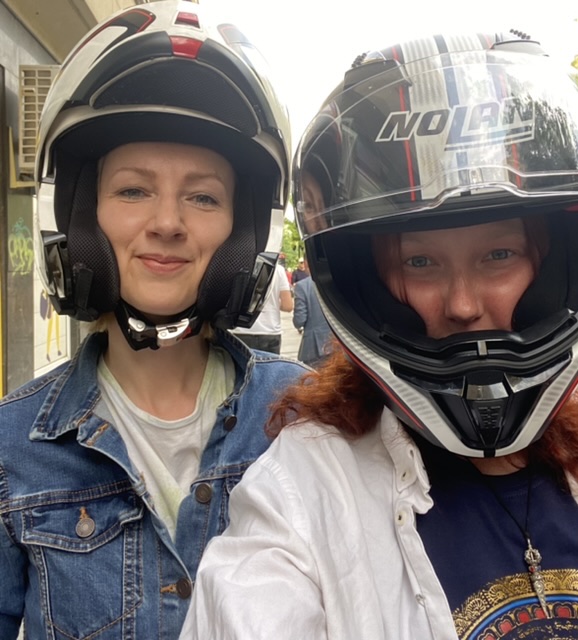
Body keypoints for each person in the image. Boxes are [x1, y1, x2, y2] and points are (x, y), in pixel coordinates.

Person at [189, 31, 578, 639]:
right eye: (420, 262)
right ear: (369, 286)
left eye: (498, 255)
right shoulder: (306, 491)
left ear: (551, 268)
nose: (463, 304)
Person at [0, 2, 307, 638]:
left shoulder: (304, 416)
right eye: (133, 190)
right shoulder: (12, 446)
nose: (167, 222)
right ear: (81, 215)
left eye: (203, 196)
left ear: (243, 231)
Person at [231, 261, 293, 353]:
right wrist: (273, 304)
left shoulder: (238, 266)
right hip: (270, 331)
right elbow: (288, 306)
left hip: (239, 330)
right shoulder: (278, 270)